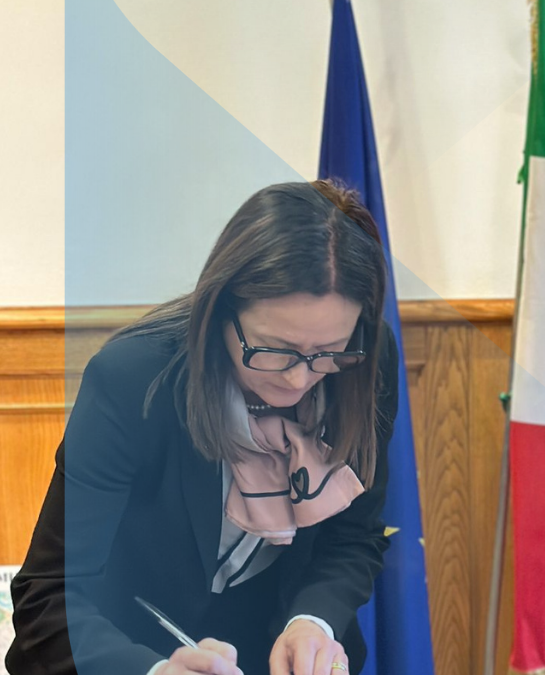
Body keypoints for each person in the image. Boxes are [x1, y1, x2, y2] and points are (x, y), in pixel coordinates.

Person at [6, 180, 399, 675]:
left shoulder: (365, 361)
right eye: (274, 350)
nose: (299, 379)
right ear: (219, 311)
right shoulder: (133, 380)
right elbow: (48, 597)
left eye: (327, 352)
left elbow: (354, 537)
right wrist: (153, 671)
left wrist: (313, 621)